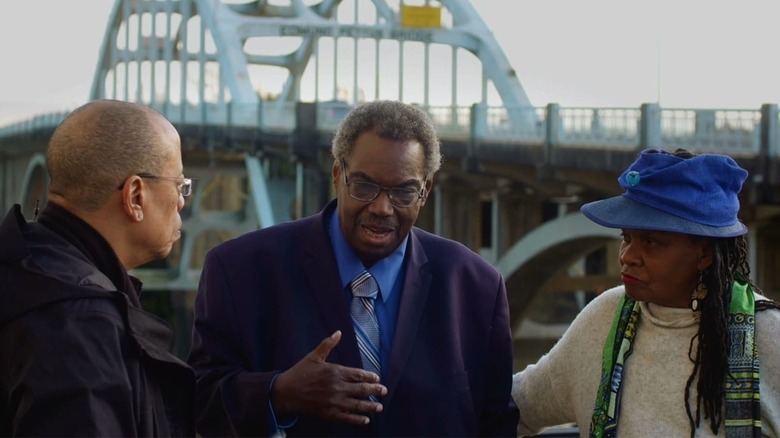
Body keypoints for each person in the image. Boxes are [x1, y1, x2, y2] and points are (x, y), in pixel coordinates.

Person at [188, 100, 519, 436]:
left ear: (426, 190)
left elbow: (496, 423)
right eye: (364, 185)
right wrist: (279, 393)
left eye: (404, 192)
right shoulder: (240, 270)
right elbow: (196, 399)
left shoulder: (476, 286)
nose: (381, 207)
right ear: (337, 174)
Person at [512, 148, 780, 437]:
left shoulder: (768, 337)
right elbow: (514, 408)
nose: (628, 256)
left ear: (704, 253)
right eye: (626, 238)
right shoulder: (604, 317)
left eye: (651, 242)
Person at [0, 99, 196, 436]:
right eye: (179, 185)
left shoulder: (23, 270)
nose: (181, 201)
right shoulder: (83, 327)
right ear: (135, 196)